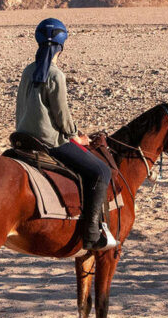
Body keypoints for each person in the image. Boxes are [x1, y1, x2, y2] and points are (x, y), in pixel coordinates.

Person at [15, 17, 117, 250]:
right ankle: (92, 233)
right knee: (101, 170)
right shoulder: (55, 75)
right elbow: (62, 116)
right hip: (49, 142)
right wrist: (75, 136)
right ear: (62, 46)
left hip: (22, 137)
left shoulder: (27, 71)